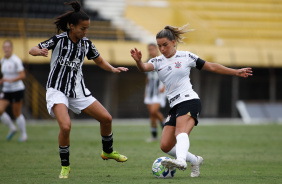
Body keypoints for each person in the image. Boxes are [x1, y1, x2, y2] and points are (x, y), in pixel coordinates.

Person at [131, 24, 252, 177]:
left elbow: (212, 67)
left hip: (189, 100)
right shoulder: (157, 61)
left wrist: (235, 72)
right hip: (174, 105)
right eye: (159, 46)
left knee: (181, 133)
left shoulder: (186, 56)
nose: (162, 49)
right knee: (165, 145)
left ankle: (181, 160)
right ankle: (194, 160)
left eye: (165, 45)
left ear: (173, 42)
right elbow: (144, 68)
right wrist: (138, 61)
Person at [29, 1, 128, 179]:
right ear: (72, 26)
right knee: (66, 126)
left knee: (106, 119)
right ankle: (65, 166)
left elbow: (99, 61)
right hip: (57, 90)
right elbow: (32, 49)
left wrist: (112, 69)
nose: (85, 32)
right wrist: (39, 52)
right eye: (82, 28)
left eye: (87, 28)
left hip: (78, 90)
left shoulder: (87, 44)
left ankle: (108, 152)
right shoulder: (58, 40)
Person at [0, 40, 27, 142]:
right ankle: (12, 128)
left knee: (17, 113)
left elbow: (22, 75)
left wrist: (10, 80)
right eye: (5, 47)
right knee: (0, 110)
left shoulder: (16, 60)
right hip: (7, 90)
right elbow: (5, 76)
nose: (6, 49)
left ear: (11, 48)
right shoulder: (3, 61)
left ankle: (24, 135)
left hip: (17, 89)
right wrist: (3, 80)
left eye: (8, 47)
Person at [144, 43, 166, 142]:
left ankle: (166, 130)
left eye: (152, 49)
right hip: (150, 92)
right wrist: (145, 91)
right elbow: (147, 78)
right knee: (151, 114)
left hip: (159, 91)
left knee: (154, 111)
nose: (151, 51)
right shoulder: (147, 62)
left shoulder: (162, 60)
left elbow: (168, 74)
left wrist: (164, 86)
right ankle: (154, 136)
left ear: (156, 49)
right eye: (149, 49)